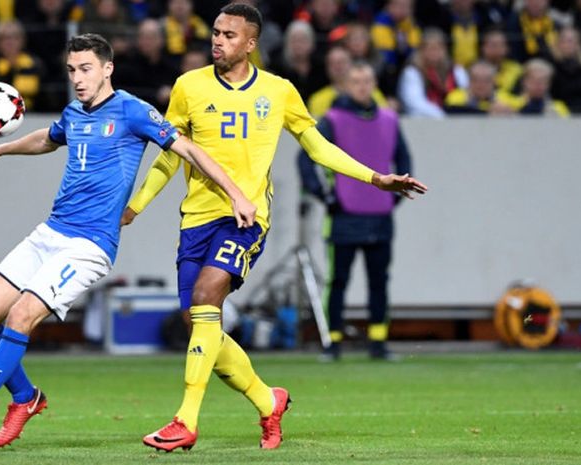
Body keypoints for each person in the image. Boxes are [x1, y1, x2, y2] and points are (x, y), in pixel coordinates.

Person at [0, 32, 256, 450]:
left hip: (90, 245)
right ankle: (25, 398)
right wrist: (2, 150)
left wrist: (236, 194)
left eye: (85, 69)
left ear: (107, 68)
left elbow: (188, 150)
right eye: (71, 70)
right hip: (50, 232)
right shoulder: (75, 112)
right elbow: (49, 137)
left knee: (20, 316)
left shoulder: (134, 111)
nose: (77, 79)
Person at [122, 3, 427, 453]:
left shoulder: (279, 91)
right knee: (200, 325)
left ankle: (185, 420)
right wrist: (136, 206)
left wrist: (376, 177)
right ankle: (268, 401)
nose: (217, 41)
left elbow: (317, 146)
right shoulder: (189, 87)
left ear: (250, 43)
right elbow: (171, 154)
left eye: (228, 35)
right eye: (216, 32)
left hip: (246, 218)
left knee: (208, 297)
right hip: (197, 219)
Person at [298, 62, 413, 361]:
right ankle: (332, 342)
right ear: (347, 85)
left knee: (380, 280)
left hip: (380, 216)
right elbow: (305, 158)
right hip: (344, 216)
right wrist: (324, 194)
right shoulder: (332, 120)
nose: (363, 86)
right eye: (357, 81)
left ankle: (378, 341)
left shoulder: (389, 119)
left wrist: (397, 194)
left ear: (374, 83)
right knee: (338, 281)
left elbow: (403, 157)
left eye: (367, 80)